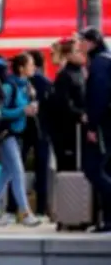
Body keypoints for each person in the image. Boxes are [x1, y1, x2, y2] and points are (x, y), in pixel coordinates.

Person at [0, 53, 41, 227]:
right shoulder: (10, 86)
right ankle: (24, 212)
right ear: (21, 68)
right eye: (31, 65)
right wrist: (22, 110)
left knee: (5, 173)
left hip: (17, 135)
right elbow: (1, 112)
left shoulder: (25, 86)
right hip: (6, 134)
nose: (34, 67)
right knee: (17, 171)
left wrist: (31, 105)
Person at [77, 26, 111, 232]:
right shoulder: (105, 60)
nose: (79, 45)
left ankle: (109, 219)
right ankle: (107, 219)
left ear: (92, 42)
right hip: (106, 123)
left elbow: (98, 97)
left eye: (82, 40)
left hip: (103, 125)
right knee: (104, 169)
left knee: (93, 169)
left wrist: (91, 125)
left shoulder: (99, 64)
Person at [21, 49, 53, 217]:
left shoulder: (19, 83)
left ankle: (13, 207)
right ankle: (41, 208)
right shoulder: (46, 82)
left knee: (11, 170)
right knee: (42, 171)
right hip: (43, 131)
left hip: (22, 131)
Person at [50, 39, 85, 172]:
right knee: (68, 165)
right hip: (68, 130)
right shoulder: (65, 75)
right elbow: (63, 104)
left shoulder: (80, 72)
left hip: (78, 128)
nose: (81, 54)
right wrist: (80, 114)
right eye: (77, 51)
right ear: (69, 56)